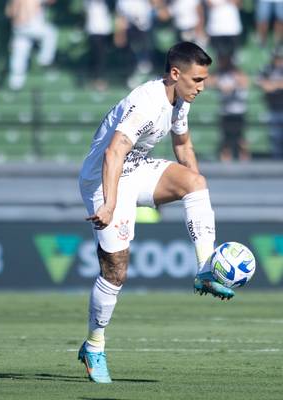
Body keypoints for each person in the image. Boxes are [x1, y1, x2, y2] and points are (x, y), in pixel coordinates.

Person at [77, 42, 231, 384]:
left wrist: (196, 190)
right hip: (103, 180)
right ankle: (94, 346)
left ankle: (206, 268)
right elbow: (113, 152)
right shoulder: (146, 102)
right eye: (197, 79)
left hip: (135, 169)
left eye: (204, 79)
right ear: (175, 74)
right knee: (115, 271)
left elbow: (183, 145)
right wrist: (110, 203)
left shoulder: (180, 100)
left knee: (196, 181)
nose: (202, 87)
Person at [5, 0, 58, 90]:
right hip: (31, 25)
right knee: (51, 33)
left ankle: (15, 82)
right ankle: (45, 59)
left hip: (17, 27)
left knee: (20, 52)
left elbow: (8, 13)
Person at [213, 55, 250, 161]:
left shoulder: (240, 76)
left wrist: (234, 84)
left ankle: (245, 162)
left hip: (239, 113)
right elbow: (214, 83)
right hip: (226, 113)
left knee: (241, 140)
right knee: (226, 141)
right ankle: (226, 162)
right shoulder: (223, 75)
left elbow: (244, 83)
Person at [257, 47, 283, 159]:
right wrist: (271, 85)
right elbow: (260, 82)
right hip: (273, 108)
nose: (279, 61)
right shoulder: (268, 69)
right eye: (277, 58)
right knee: (275, 137)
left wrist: (275, 85)